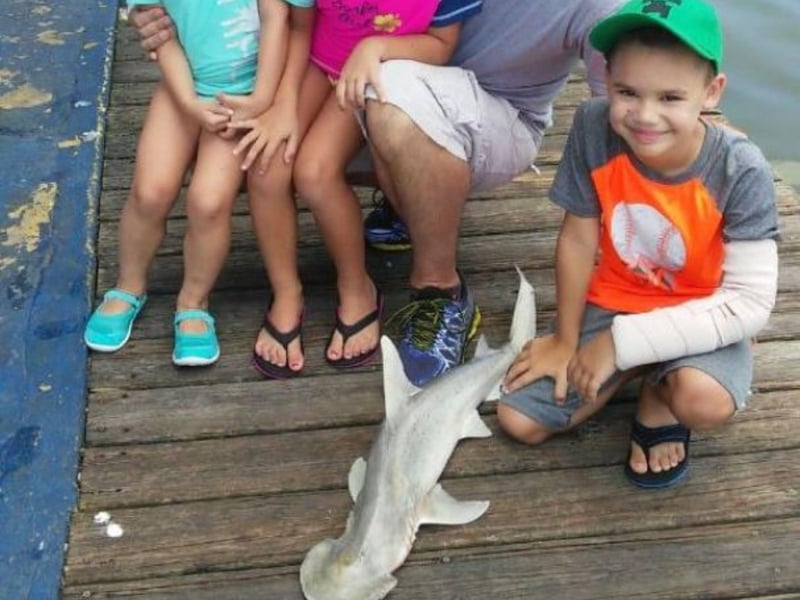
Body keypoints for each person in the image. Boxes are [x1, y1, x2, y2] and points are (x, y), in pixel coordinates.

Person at [130, 0, 625, 385]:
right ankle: (296, 286)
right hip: (345, 75)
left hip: (472, 105)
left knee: (336, 150)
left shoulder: (603, 10)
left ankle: (414, 291)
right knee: (269, 159)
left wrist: (598, 316)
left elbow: (624, 118)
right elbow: (293, 21)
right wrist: (168, 19)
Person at [498, 0, 779, 489]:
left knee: (702, 399)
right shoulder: (592, 125)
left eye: (671, 97)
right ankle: (644, 366)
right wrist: (566, 340)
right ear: (606, 78)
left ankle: (658, 386)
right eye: (627, 91)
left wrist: (619, 344)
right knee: (519, 421)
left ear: (711, 92)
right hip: (615, 298)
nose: (645, 115)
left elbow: (751, 302)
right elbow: (579, 236)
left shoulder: (741, 168)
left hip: (703, 311)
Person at [84, 0, 300, 368]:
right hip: (180, 89)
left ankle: (193, 302)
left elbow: (276, 15)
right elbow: (160, 30)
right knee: (150, 191)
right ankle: (129, 284)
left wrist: (260, 99)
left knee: (209, 201)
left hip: (241, 96)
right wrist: (188, 102)